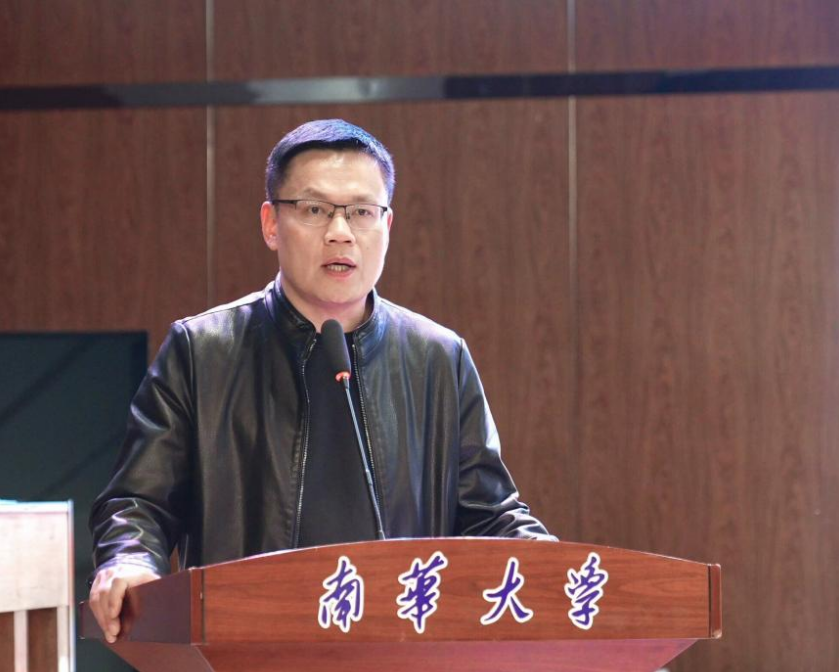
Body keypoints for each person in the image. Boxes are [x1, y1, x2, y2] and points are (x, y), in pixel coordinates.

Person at [88, 119, 555, 642]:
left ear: (387, 225)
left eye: (361, 212)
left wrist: (556, 569)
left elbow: (490, 515)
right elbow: (139, 502)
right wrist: (128, 559)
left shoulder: (437, 357)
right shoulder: (203, 351)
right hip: (247, 648)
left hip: (404, 653)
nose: (340, 232)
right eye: (314, 210)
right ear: (271, 223)